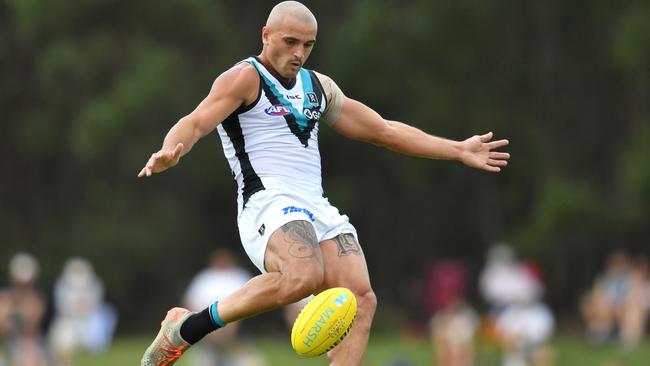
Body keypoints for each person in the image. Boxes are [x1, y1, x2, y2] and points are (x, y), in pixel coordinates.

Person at [137, 1, 510, 365]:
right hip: (266, 200)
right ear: (266, 35)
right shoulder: (244, 77)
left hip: (314, 204)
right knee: (304, 276)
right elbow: (197, 120)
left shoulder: (319, 87)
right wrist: (172, 149)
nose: (299, 53)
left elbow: (383, 130)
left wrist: (458, 149)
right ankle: (186, 329)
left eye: (308, 44)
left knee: (361, 298)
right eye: (290, 42)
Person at [47, 257, 117, 366]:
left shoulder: (95, 285)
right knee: (60, 344)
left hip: (87, 323)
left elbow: (93, 308)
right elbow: (65, 308)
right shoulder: (62, 286)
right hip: (69, 322)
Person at [0, 253, 48, 366]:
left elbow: (31, 326)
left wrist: (11, 319)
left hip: (30, 347)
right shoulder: (4, 299)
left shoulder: (37, 300)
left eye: (26, 284)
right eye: (20, 283)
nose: (23, 287)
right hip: (9, 346)